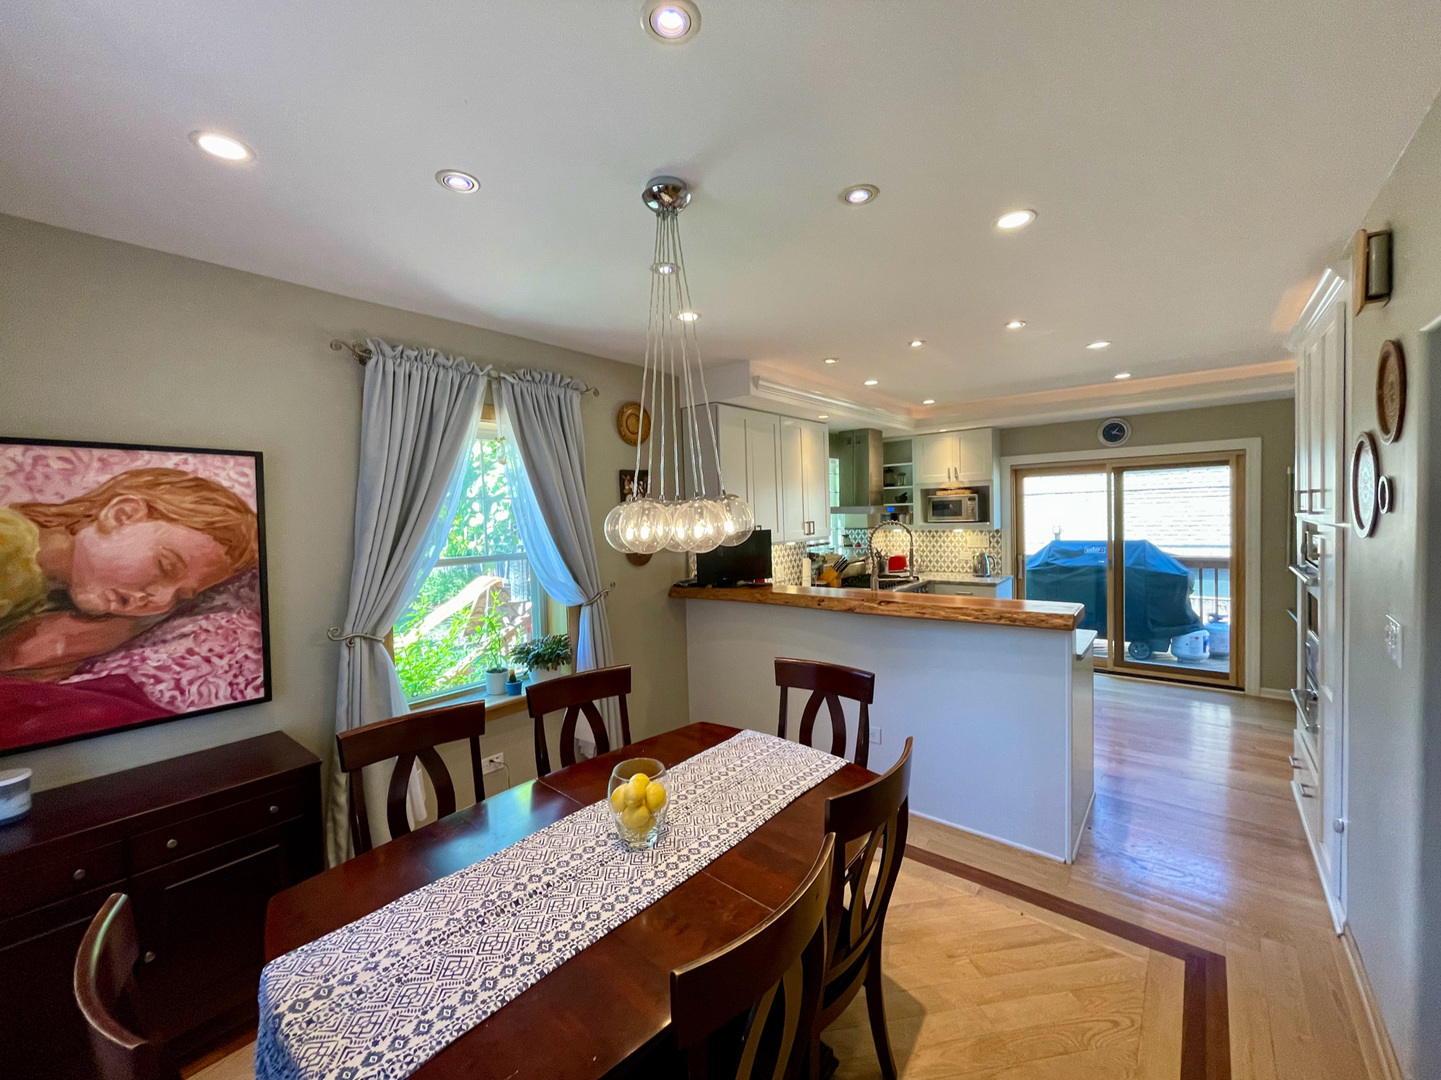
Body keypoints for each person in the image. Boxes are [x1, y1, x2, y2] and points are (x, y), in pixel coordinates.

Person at [0, 467, 259, 682]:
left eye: (180, 596)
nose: (160, 600)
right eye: (166, 566)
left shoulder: (60, 602)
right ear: (121, 514)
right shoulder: (10, 542)